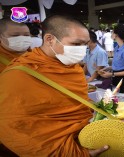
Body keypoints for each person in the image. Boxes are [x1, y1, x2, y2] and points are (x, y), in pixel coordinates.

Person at [0, 15, 108, 157]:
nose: (81, 50)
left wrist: (103, 114)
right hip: (51, 147)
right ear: (49, 39)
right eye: (76, 44)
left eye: (84, 44)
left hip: (86, 135)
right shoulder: (18, 75)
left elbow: (78, 105)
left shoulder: (74, 68)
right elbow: (13, 127)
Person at [98, 24, 124, 93]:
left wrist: (111, 74)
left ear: (116, 35)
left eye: (112, 32)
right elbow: (120, 64)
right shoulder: (117, 48)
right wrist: (108, 68)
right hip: (116, 78)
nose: (111, 33)